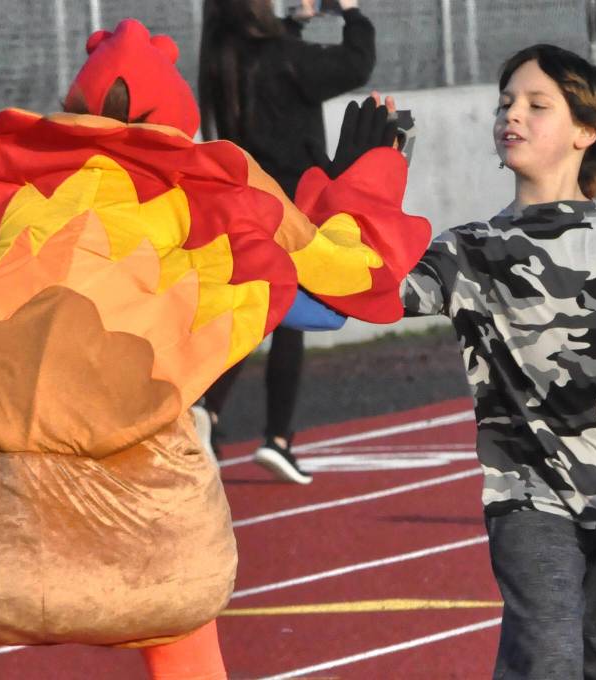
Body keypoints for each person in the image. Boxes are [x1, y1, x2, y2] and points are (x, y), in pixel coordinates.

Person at [0, 17, 428, 680]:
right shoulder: (205, 197)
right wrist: (362, 182)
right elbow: (332, 297)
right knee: (181, 637)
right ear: (176, 120)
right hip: (143, 527)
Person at [400, 44, 596, 679]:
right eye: (506, 103)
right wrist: (368, 195)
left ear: (585, 132)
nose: (511, 115)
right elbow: (382, 293)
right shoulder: (467, 250)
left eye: (536, 105)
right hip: (525, 495)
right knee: (546, 657)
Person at [195, 0, 376, 484]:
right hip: (292, 201)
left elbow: (278, 59)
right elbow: (354, 64)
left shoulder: (222, 59)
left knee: (253, 310)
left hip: (243, 199)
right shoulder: (282, 58)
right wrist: (352, 13)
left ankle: (209, 411)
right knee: (293, 314)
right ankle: (274, 436)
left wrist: (294, 23)